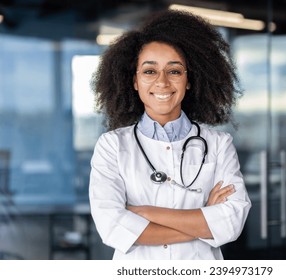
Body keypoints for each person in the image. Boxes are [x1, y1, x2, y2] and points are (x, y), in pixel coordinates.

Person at [89, 9, 251, 260]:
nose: (162, 82)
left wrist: (144, 213)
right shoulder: (111, 146)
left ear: (189, 79)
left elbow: (231, 223)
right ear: (134, 81)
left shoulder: (219, 144)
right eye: (149, 71)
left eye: (174, 71)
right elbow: (111, 227)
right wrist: (204, 217)